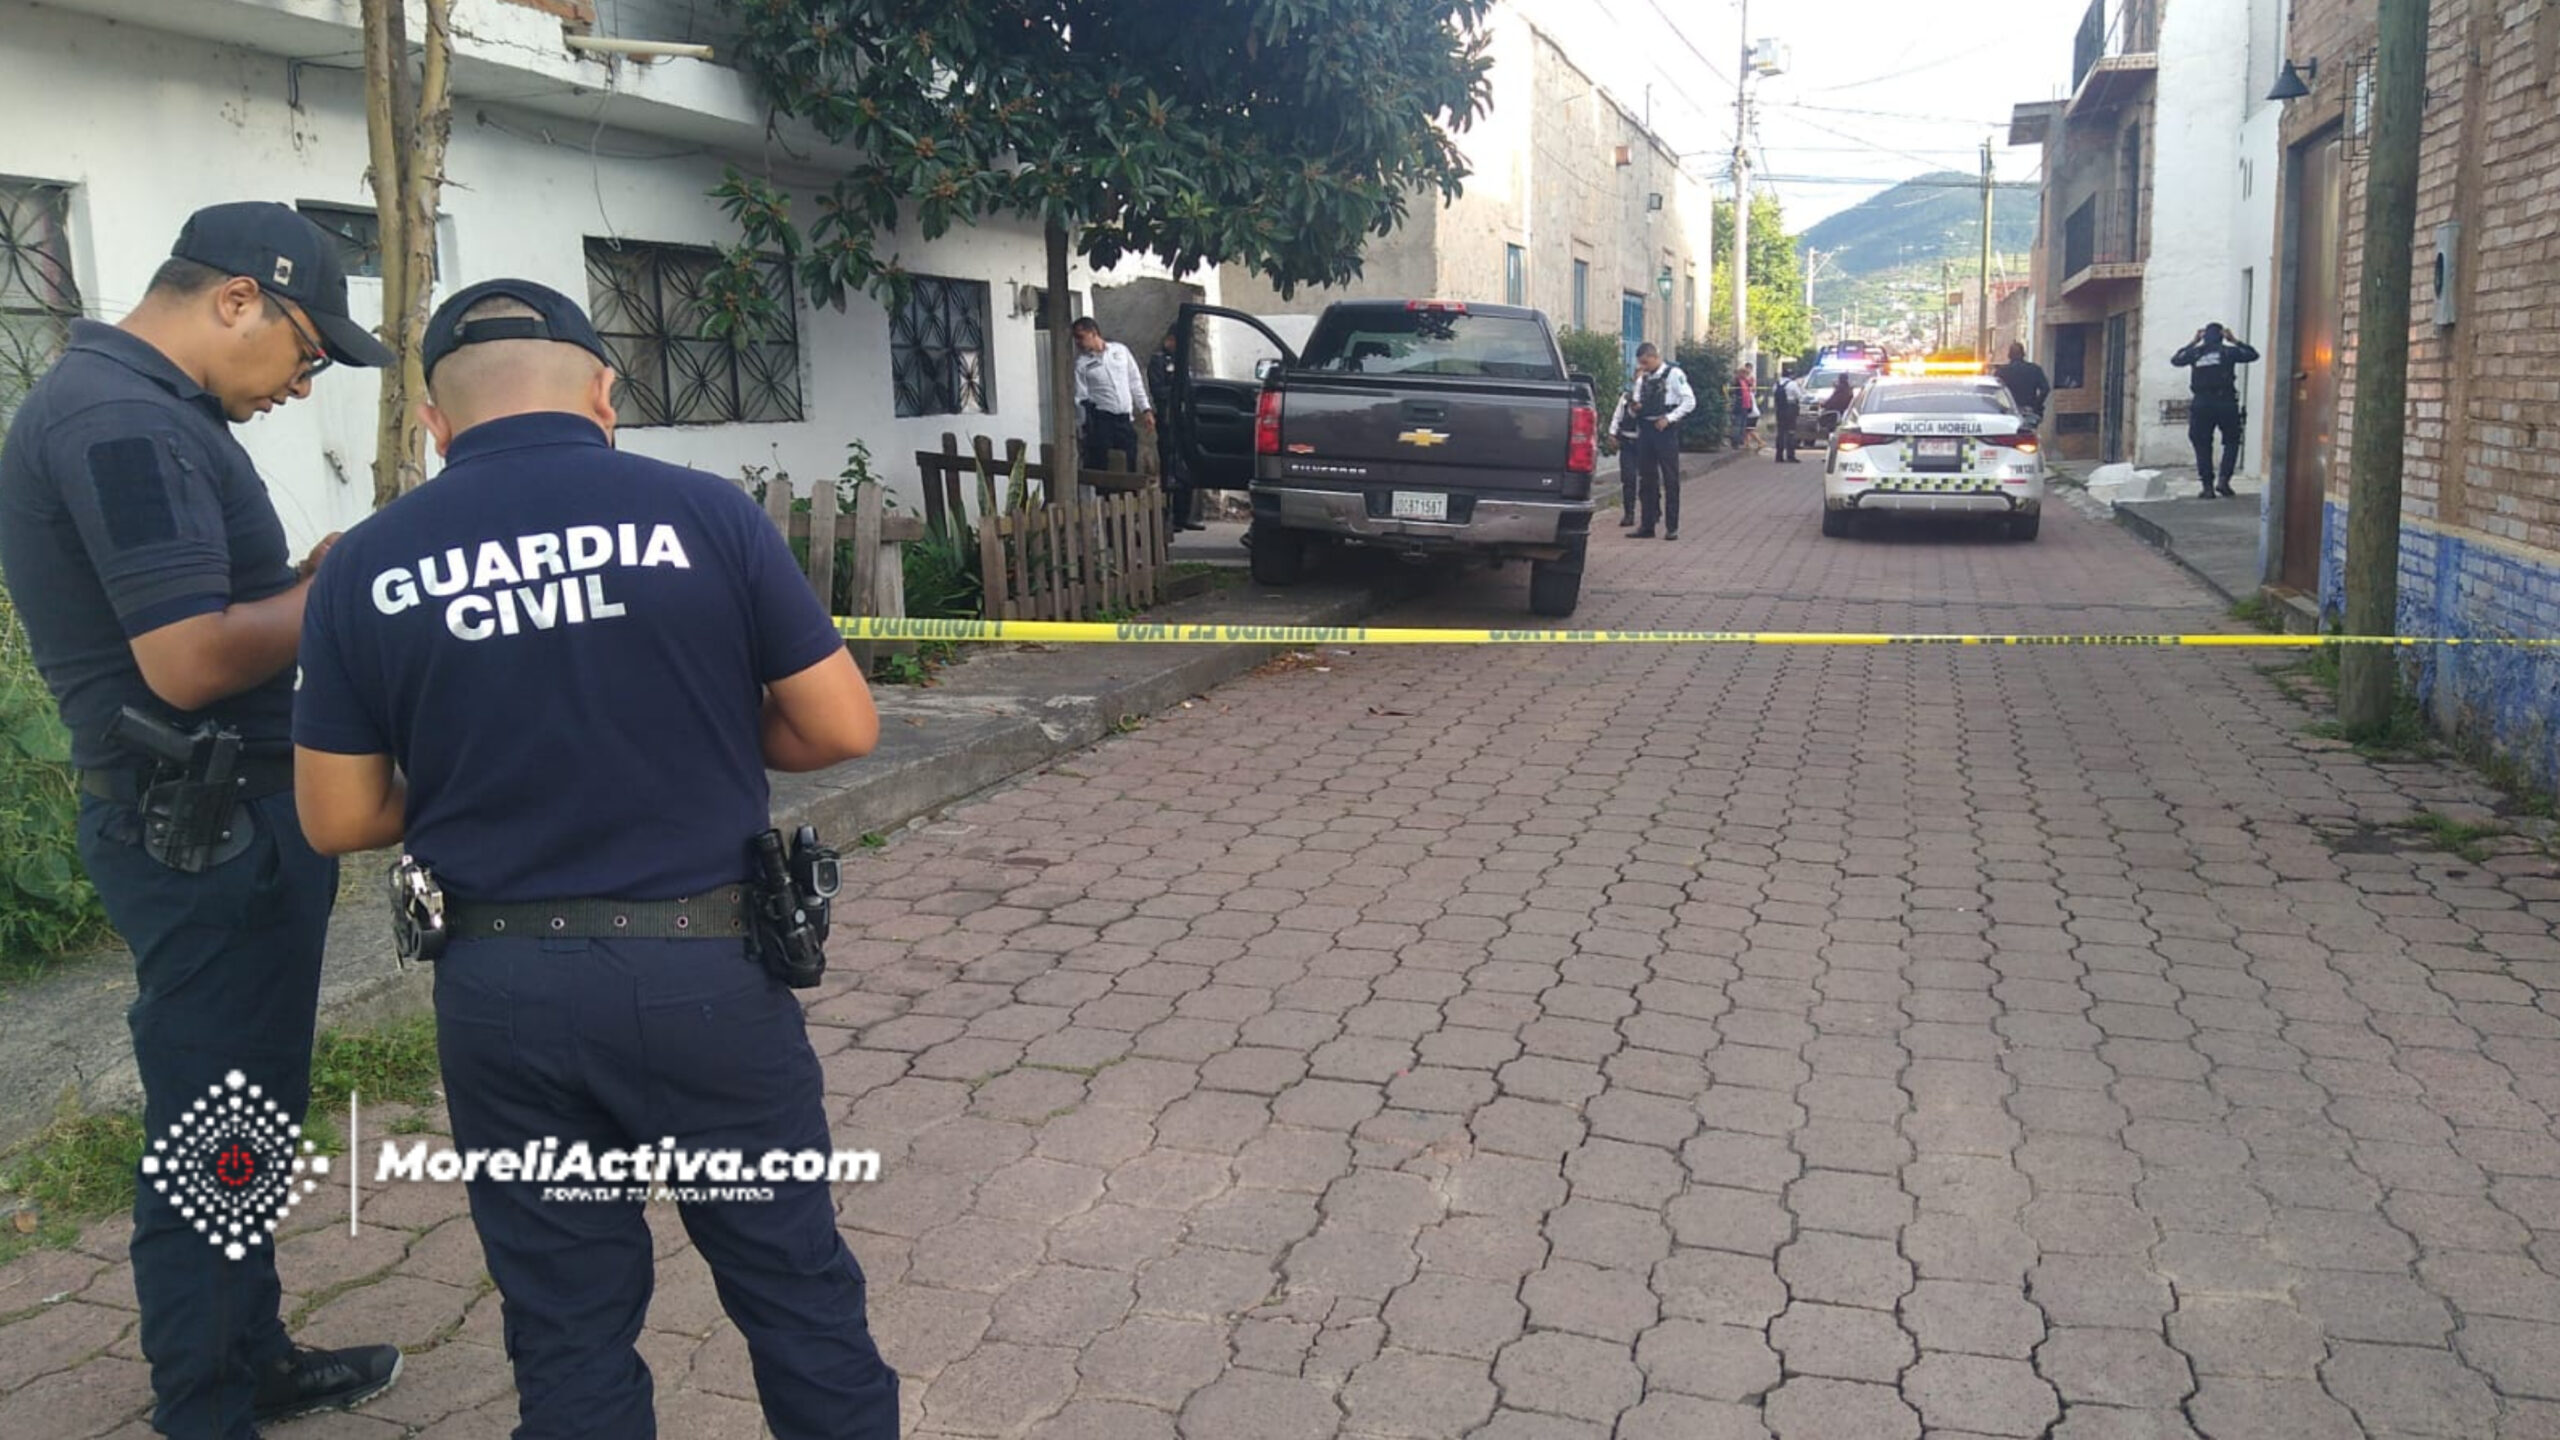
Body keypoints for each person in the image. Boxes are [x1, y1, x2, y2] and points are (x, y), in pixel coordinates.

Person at [289, 280, 898, 1439]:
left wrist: (478, 777)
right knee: (792, 1287)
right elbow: (839, 728)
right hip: (704, 981)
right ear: (604, 394)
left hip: (506, 996)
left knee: (566, 1322)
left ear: (432, 420)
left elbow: (335, 815)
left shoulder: (366, 563)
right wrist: (701, 732)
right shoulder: (705, 516)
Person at [0, 201, 403, 1439]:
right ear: (239, 298)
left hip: (220, 819)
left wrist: (293, 580)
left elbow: (207, 612)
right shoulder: (124, 420)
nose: (302, 381)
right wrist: (342, 592)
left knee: (246, 1114)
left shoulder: (140, 406)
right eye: (306, 349)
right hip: (206, 828)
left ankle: (245, 1355)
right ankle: (209, 1405)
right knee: (217, 1125)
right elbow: (184, 659)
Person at [2171, 321, 2261, 498]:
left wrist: (2193, 342)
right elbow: (2253, 355)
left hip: (2202, 402)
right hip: (2225, 402)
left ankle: (2207, 486)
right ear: (2222, 336)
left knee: (2202, 443)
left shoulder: (2195, 353)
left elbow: (2176, 360)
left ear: (2204, 336)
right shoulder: (2229, 351)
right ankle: (2224, 481)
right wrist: (2234, 340)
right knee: (2232, 441)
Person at [1626, 342, 1696, 540]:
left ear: (1655, 357)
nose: (1643, 367)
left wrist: (1669, 418)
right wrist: (1635, 406)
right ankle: (1647, 525)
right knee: (1646, 479)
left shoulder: (1674, 374)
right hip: (1646, 430)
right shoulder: (1643, 378)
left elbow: (1690, 401)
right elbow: (1635, 406)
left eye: (1646, 362)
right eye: (1641, 363)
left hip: (1665, 431)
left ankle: (1671, 527)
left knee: (1671, 478)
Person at [1071, 317, 1153, 474]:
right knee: (1104, 467)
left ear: (1093, 333)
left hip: (1124, 420)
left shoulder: (1120, 351)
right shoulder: (1081, 364)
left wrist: (1146, 409)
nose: (1078, 343)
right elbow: (1080, 398)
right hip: (1102, 421)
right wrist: (1083, 426)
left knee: (1129, 464)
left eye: (1080, 337)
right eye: (1075, 338)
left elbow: (1135, 382)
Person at [1145, 328, 1203, 536]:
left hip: (1185, 421)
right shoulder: (1159, 361)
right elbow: (1158, 390)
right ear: (1170, 339)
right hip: (1169, 419)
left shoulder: (1183, 362)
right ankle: (1167, 517)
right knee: (1170, 469)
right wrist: (1178, 391)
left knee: (1186, 467)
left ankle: (1184, 515)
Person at [1607, 377, 1645, 527]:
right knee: (1628, 478)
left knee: (1648, 479)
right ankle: (1629, 514)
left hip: (1645, 444)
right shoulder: (1625, 397)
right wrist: (1612, 433)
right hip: (1627, 443)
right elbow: (1617, 416)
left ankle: (1652, 511)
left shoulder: (1650, 397)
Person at [1994, 342, 2050, 429]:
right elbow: (2045, 389)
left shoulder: (2001, 372)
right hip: (2029, 411)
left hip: (2007, 413)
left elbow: (1995, 393)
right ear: (2023, 354)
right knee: (2028, 436)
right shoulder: (2034, 369)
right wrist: (2036, 405)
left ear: (2009, 355)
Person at [1771, 362, 1804, 463]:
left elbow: (1774, 394)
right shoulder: (1792, 384)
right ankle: (1790, 456)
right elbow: (1799, 396)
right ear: (1791, 375)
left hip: (1779, 410)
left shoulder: (1776, 384)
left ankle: (1779, 456)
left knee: (1780, 432)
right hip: (1790, 409)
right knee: (1791, 432)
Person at [1730, 367, 1761, 453]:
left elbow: (1752, 388)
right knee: (1737, 424)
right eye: (1745, 374)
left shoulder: (1746, 382)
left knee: (1743, 425)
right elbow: (1733, 392)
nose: (1747, 375)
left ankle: (1740, 441)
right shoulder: (1737, 382)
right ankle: (1735, 442)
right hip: (1739, 406)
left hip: (1746, 406)